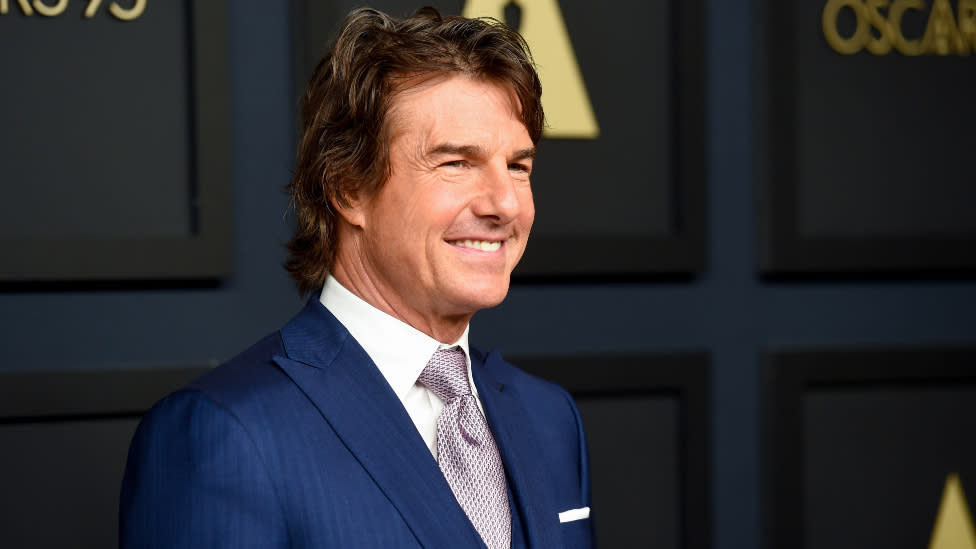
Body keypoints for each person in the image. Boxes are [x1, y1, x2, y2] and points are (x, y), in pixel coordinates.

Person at [120, 7, 593, 548]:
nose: (504, 203)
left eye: (517, 166)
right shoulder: (225, 433)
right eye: (455, 163)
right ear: (348, 188)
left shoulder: (549, 417)